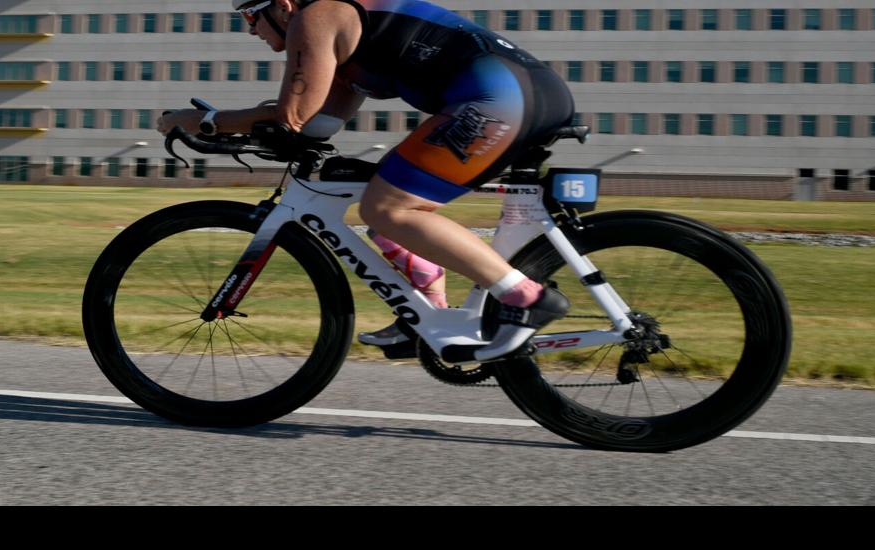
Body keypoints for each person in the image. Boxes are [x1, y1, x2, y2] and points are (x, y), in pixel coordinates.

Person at [158, 0, 575, 354]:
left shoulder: (315, 16)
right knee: (376, 194)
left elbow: (292, 114)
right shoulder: (344, 34)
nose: (250, 30)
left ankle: (524, 297)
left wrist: (203, 121)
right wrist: (258, 132)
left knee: (388, 207)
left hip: (499, 97)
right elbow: (316, 122)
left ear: (283, 5)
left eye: (250, 16)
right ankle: (425, 314)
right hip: (520, 91)